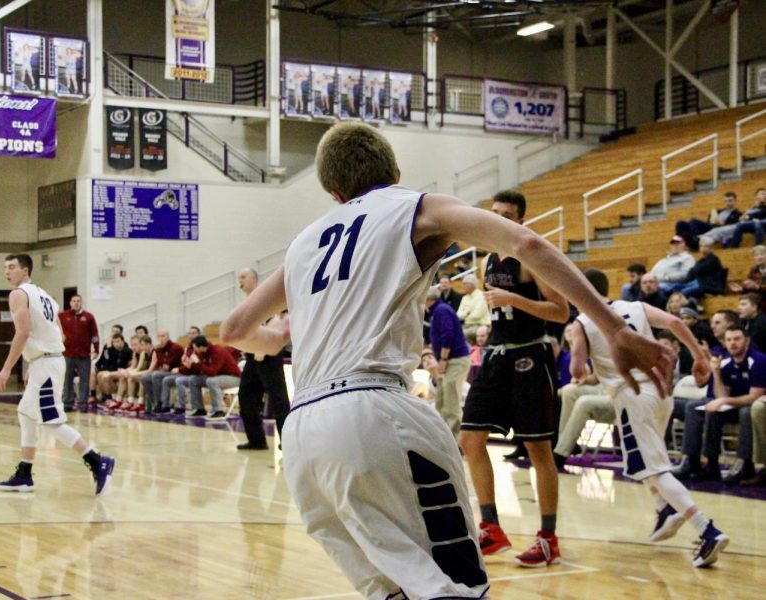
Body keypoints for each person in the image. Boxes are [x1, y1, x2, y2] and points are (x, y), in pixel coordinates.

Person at [219, 123, 672, 597]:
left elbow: (236, 331)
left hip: (303, 434)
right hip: (374, 411)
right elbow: (528, 245)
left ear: (332, 192)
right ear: (395, 170)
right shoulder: (415, 206)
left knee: (397, 590)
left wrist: (290, 334)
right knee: (455, 586)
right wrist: (615, 328)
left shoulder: (303, 244)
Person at [569, 268, 728, 568]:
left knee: (653, 468)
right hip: (661, 392)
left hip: (633, 395)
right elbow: (675, 322)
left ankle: (707, 529)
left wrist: (583, 369)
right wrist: (699, 357)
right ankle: (664, 509)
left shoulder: (581, 322)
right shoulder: (635, 306)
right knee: (643, 462)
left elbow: (578, 370)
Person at [460, 190, 573, 567]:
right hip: (497, 355)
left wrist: (515, 300)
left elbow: (560, 312)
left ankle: (548, 538)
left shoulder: (531, 257)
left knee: (538, 449)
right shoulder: (488, 260)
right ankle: (491, 527)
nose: (500, 218)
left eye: (507, 214)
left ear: (520, 220)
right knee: (470, 439)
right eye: (495, 213)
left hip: (530, 356)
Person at [0, 254, 115, 495]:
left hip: (47, 364)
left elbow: (24, 332)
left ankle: (97, 460)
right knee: (26, 413)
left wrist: (7, 368)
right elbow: (60, 336)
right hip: (49, 362)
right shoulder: (45, 295)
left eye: (12, 267)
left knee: (51, 421)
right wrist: (35, 361)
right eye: (5, 268)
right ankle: (25, 474)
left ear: (25, 270)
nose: (7, 272)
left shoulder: (18, 294)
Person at [674, 326, 766, 483]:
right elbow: (721, 395)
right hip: (733, 405)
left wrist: (724, 401)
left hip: (752, 405)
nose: (732, 343)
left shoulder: (758, 360)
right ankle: (703, 462)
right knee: (706, 409)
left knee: (745, 412)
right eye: (729, 340)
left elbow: (754, 397)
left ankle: (744, 463)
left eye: (737, 339)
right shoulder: (726, 362)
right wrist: (716, 373)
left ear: (747, 341)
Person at [236, 267, 291, 451]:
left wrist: (264, 348)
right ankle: (257, 440)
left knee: (278, 399)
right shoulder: (248, 301)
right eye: (239, 278)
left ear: (254, 279)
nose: (240, 281)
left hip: (269, 355)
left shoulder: (265, 298)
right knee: (246, 397)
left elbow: (276, 323)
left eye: (243, 277)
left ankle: (288, 440)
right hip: (253, 357)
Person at [426, 286, 471, 437]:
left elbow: (447, 334)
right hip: (448, 360)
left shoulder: (441, 310)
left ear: (428, 299)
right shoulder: (437, 311)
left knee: (451, 401)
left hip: (455, 360)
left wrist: (443, 359)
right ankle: (442, 437)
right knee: (441, 400)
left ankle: (455, 441)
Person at [175, 335, 241, 419]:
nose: (194, 351)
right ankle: (199, 409)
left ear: (202, 347)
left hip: (233, 377)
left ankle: (219, 411)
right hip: (218, 376)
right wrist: (190, 365)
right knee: (193, 380)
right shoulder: (202, 353)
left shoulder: (217, 351)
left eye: (195, 348)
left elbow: (212, 372)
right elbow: (199, 372)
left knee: (211, 381)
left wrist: (198, 362)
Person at [58, 294, 100, 412]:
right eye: (74, 301)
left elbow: (95, 335)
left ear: (81, 303)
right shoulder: (62, 316)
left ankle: (83, 404)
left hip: (84, 354)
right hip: (67, 354)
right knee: (67, 379)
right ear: (70, 303)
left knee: (84, 380)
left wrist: (96, 349)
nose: (76, 303)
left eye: (78, 301)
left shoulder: (88, 317)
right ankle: (67, 403)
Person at [675, 191, 740, 250]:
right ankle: (679, 244)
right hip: (710, 227)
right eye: (726, 201)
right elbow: (708, 222)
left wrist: (722, 223)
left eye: (730, 201)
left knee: (693, 221)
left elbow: (732, 228)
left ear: (735, 201)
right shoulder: (718, 211)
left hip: (719, 229)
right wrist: (712, 219)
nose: (728, 203)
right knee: (680, 223)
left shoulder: (738, 214)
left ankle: (694, 241)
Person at [140, 329, 185, 414]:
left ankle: (160, 403)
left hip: (177, 372)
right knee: (144, 378)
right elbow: (161, 363)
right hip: (166, 372)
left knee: (156, 375)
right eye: (159, 336)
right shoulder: (159, 349)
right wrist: (158, 350)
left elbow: (167, 366)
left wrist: (163, 363)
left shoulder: (176, 347)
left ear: (168, 336)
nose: (161, 338)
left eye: (163, 336)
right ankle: (155, 402)